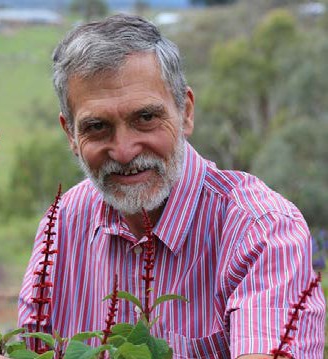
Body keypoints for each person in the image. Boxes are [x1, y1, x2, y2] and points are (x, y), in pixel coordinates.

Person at [18, 14, 325, 358]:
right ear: (71, 135)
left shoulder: (261, 231)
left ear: (186, 112)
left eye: (145, 118)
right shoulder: (62, 226)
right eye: (97, 126)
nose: (124, 150)